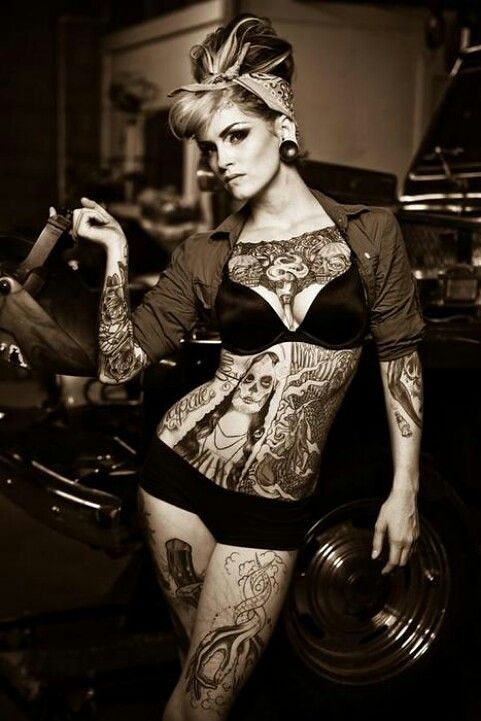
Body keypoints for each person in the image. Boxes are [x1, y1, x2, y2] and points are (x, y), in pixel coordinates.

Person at [69, 14, 424, 720]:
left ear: (282, 127)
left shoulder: (369, 234)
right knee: (199, 685)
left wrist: (404, 489)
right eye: (211, 146)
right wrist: (115, 257)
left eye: (236, 135)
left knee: (203, 700)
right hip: (177, 479)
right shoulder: (207, 253)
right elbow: (119, 363)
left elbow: (400, 357)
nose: (220, 160)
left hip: (271, 507)